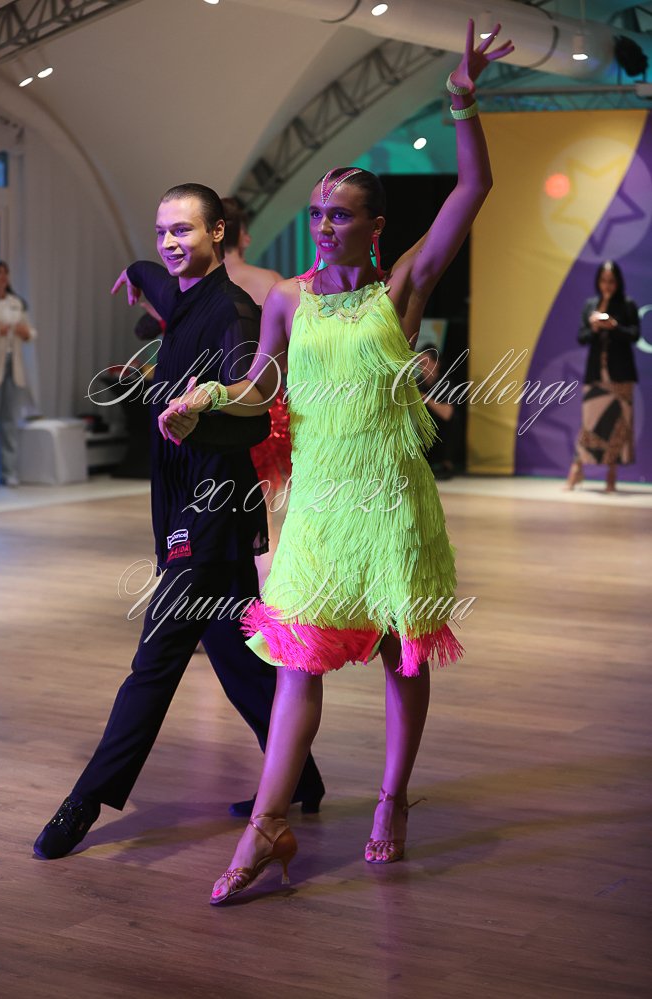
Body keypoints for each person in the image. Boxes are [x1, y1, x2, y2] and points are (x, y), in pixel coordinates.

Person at [160, 21, 513, 904]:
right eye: (317, 213)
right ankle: (266, 825)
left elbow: (475, 188)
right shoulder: (287, 299)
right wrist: (204, 399)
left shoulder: (402, 288)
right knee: (299, 663)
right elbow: (258, 390)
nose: (323, 226)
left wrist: (461, 100)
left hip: (391, 501)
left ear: (374, 226)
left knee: (400, 654)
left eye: (341, 214)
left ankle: (392, 798)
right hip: (318, 507)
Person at [33, 183, 324, 860]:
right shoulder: (182, 296)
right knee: (233, 652)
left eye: (183, 230)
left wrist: (206, 408)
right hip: (185, 499)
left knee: (155, 659)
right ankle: (300, 777)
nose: (169, 243)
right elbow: (155, 280)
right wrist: (134, 271)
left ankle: (85, 801)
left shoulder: (232, 314)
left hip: (211, 505)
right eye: (162, 231)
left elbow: (254, 408)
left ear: (218, 233)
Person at [222, 197, 292, 495]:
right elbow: (291, 344)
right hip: (264, 396)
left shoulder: (197, 285)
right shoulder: (271, 281)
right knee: (265, 493)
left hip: (214, 399)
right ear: (242, 236)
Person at [565, 260, 640, 493]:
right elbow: (581, 337)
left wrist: (614, 326)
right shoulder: (591, 305)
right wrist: (595, 327)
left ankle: (611, 474)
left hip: (620, 374)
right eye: (603, 281)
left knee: (619, 425)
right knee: (589, 424)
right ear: (598, 282)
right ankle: (577, 469)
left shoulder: (627, 304)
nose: (607, 285)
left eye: (611, 281)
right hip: (596, 373)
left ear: (618, 282)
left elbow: (634, 335)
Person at [0, 260, 37, 488]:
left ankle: (9, 471)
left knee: (9, 421)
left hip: (13, 367)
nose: (3, 277)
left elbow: (31, 331)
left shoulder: (16, 303)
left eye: (5, 273)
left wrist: (26, 333)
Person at [416, 348, 457, 480]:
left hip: (442, 434)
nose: (422, 367)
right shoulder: (417, 383)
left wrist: (425, 398)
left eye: (425, 363)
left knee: (452, 420)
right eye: (420, 364)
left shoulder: (445, 384)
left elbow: (447, 414)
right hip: (423, 434)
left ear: (436, 363)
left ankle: (446, 463)